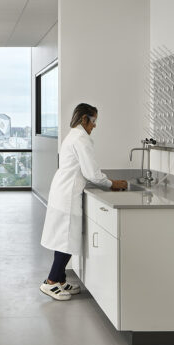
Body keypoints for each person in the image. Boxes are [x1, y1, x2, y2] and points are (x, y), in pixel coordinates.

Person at [40, 103, 127, 301]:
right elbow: (91, 173)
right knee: (66, 241)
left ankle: (60, 280)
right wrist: (111, 183)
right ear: (84, 119)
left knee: (64, 239)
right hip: (67, 194)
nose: (95, 125)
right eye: (93, 120)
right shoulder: (81, 139)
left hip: (63, 191)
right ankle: (51, 282)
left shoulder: (74, 135)